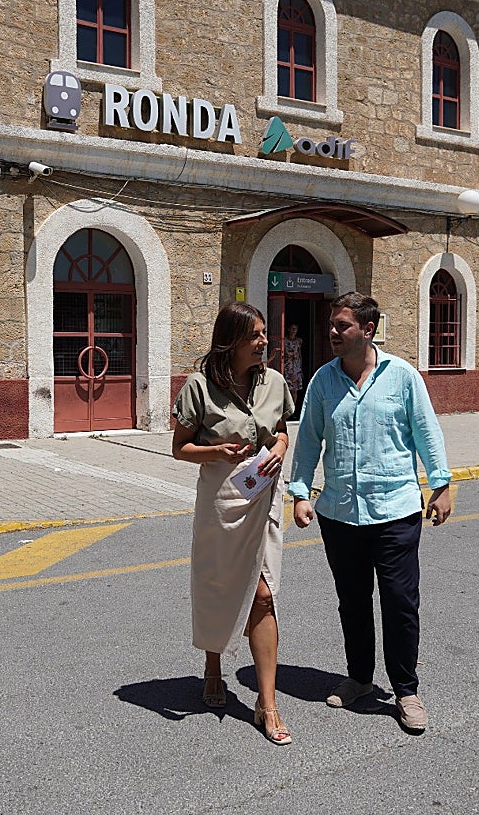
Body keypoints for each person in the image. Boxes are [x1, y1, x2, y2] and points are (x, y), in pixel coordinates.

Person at [288, 292, 452, 733]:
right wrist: (300, 492)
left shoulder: (402, 377)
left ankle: (406, 690)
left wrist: (441, 484)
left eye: (343, 325)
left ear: (368, 329)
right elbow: (308, 440)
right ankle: (360, 678)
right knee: (353, 602)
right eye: (332, 325)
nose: (334, 332)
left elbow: (426, 430)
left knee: (400, 603)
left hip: (395, 510)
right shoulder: (323, 381)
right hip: (340, 513)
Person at [172, 301, 295, 745]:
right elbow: (179, 447)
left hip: (263, 493)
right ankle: (212, 665)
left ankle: (267, 703)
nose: (265, 342)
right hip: (222, 497)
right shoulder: (199, 387)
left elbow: (280, 429)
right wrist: (215, 452)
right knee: (218, 585)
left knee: (264, 594)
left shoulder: (274, 383)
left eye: (264, 334)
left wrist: (280, 447)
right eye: (256, 335)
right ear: (232, 341)